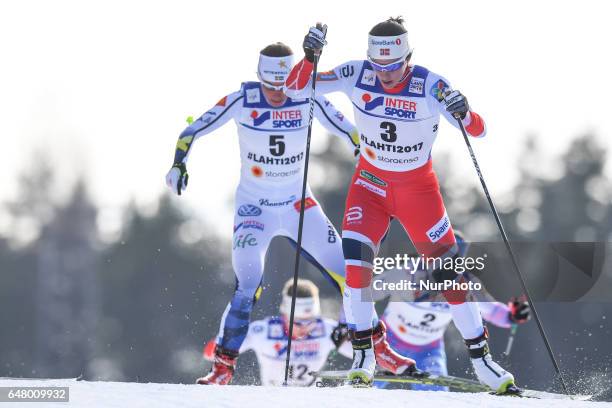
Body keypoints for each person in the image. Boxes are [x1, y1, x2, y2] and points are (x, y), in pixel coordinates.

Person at [285, 18, 519, 393]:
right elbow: (297, 89)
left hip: (417, 192)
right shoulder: (355, 73)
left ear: (408, 58)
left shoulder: (430, 84)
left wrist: (464, 110)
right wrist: (309, 57)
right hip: (371, 186)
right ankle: (364, 355)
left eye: (393, 67)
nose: (385, 75)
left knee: (448, 275)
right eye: (378, 67)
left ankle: (483, 362)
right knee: (357, 269)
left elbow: (477, 130)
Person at [166, 41, 410, 385]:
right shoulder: (242, 100)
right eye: (270, 86)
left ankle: (377, 348)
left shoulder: (306, 96)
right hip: (255, 210)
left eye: (283, 85)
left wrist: (364, 152)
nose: (278, 94)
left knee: (352, 273)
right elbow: (192, 130)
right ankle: (222, 368)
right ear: (259, 78)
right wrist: (179, 164)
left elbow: (350, 131)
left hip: (300, 207)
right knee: (248, 286)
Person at [372, 232, 531, 390]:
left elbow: (491, 310)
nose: (447, 270)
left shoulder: (465, 282)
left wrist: (512, 316)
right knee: (371, 388)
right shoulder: (404, 273)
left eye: (454, 264)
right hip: (389, 343)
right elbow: (365, 293)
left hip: (427, 350)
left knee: (437, 396)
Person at [203, 279, 353, 386]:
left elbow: (360, 354)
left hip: (311, 401)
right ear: (285, 314)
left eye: (311, 321)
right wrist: (221, 341)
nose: (305, 328)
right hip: (273, 401)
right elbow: (210, 354)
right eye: (298, 322)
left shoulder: (328, 330)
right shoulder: (262, 331)